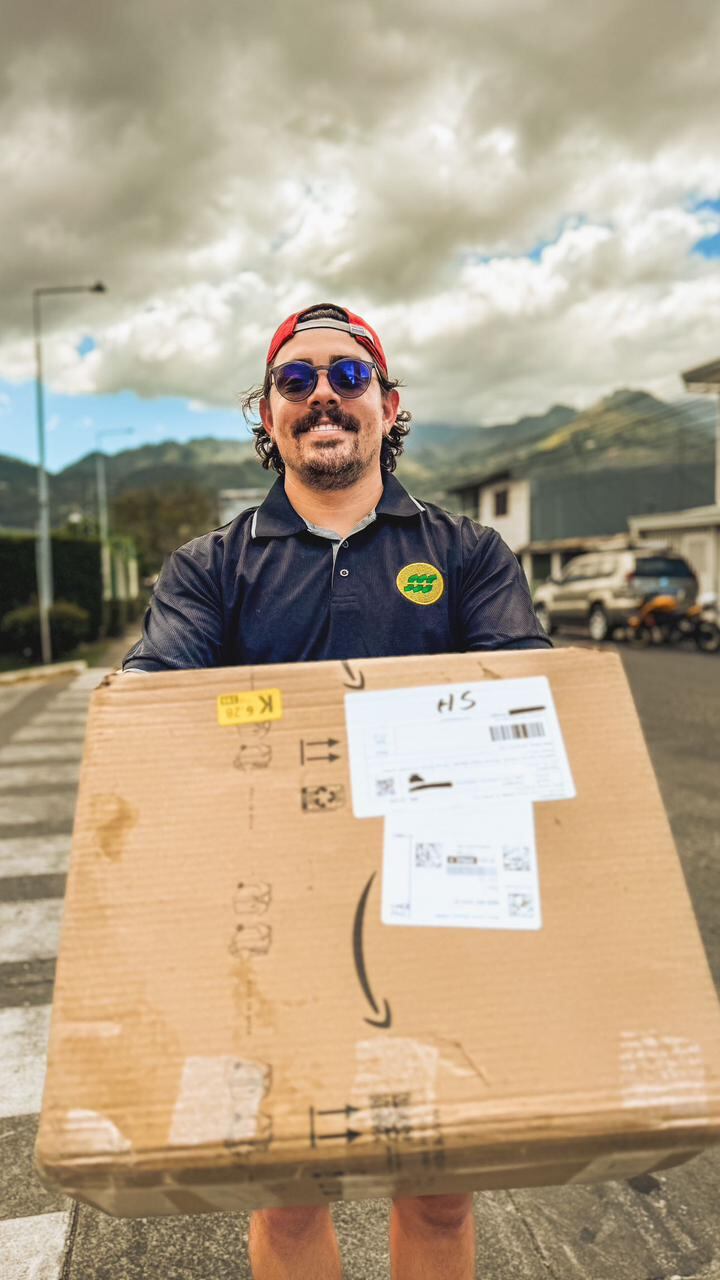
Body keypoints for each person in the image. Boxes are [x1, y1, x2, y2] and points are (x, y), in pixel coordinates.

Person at [123, 302, 550, 1278]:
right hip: (268, 924)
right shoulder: (211, 567)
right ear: (269, 414)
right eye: (297, 379)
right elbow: (157, 700)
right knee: (287, 1201)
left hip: (438, 910)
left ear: (388, 405)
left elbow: (527, 694)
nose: (324, 394)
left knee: (438, 1198)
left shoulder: (467, 556)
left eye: (349, 377)